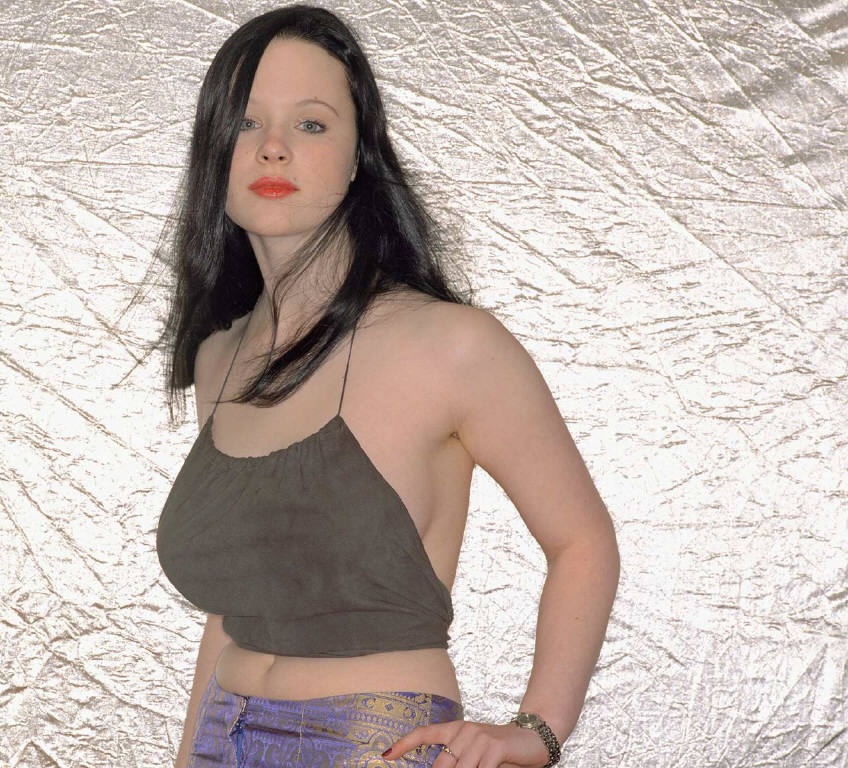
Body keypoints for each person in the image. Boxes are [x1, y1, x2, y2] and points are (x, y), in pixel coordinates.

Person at [150, 5, 620, 767]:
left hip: (369, 743)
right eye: (245, 122)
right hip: (219, 737)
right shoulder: (220, 359)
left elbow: (582, 540)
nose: (273, 146)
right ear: (212, 153)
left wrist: (537, 732)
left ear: (359, 157)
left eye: (311, 124)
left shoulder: (452, 344)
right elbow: (239, 607)